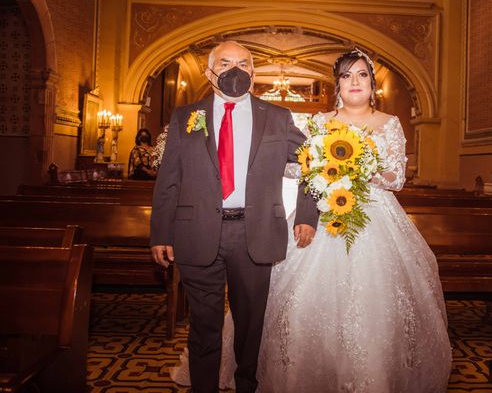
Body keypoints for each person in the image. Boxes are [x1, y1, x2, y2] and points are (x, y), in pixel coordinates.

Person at [172, 48, 452, 392]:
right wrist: (309, 167)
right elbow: (296, 164)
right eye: (347, 75)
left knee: (375, 309)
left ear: (373, 84)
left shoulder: (389, 124)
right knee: (296, 307)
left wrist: (357, 167)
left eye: (362, 75)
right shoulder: (319, 123)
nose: (355, 82)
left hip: (376, 221)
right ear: (337, 84)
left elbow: (396, 178)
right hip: (323, 218)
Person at [150, 41, 318, 393]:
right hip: (196, 232)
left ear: (254, 73)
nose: (235, 70)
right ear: (210, 71)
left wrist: (307, 215)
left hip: (254, 233)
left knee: (250, 326)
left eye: (244, 63)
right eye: (226, 62)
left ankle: (247, 386)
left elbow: (314, 164)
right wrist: (160, 233)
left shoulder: (277, 117)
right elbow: (170, 179)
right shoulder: (185, 117)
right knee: (204, 326)